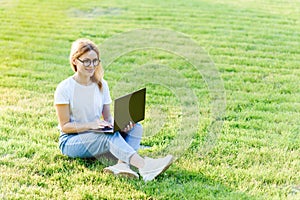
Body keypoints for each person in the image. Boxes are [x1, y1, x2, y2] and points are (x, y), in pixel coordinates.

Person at [54, 38, 173, 181]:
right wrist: (91, 125)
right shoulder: (65, 88)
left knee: (136, 128)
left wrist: (119, 125)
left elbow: (108, 118)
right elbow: (65, 127)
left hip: (96, 134)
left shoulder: (101, 85)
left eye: (95, 61)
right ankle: (145, 166)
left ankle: (121, 165)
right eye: (86, 61)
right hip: (71, 140)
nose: (91, 65)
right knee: (106, 137)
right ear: (74, 61)